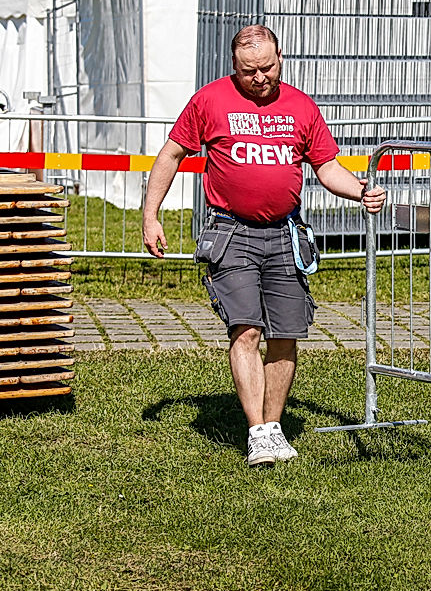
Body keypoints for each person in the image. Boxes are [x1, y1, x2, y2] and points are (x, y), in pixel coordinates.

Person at [142, 24, 386, 469]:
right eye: (248, 70)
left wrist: (360, 190)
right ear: (234, 67)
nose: (259, 77)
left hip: (285, 234)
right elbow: (171, 155)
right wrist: (150, 215)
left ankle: (274, 428)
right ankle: (257, 431)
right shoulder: (209, 100)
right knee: (247, 329)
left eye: (267, 67)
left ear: (281, 59)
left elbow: (327, 168)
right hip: (231, 232)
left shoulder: (300, 106)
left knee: (285, 334)